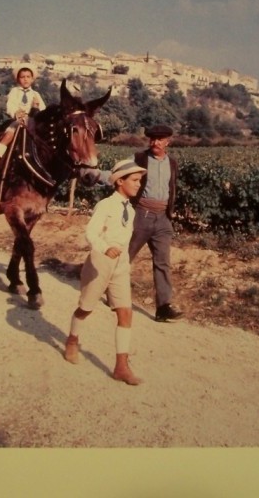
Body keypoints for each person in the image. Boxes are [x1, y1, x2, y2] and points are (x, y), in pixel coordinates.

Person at [63, 158, 147, 385]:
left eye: (140, 180)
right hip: (100, 263)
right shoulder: (106, 206)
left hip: (120, 264)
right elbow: (91, 233)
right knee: (85, 308)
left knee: (125, 313)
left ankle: (121, 366)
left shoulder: (130, 209)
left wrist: (123, 259)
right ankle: (72, 340)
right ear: (120, 182)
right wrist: (104, 248)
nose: (139, 184)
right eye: (135, 180)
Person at [128, 124, 184, 322]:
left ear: (168, 141)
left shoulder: (172, 163)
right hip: (141, 215)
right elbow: (119, 174)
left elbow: (172, 188)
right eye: (152, 139)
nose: (155, 143)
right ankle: (111, 292)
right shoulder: (138, 159)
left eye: (160, 139)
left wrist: (169, 215)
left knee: (162, 263)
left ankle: (163, 307)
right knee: (125, 256)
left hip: (163, 219)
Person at [0, 64, 46, 172]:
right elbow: (10, 105)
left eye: (28, 77)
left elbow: (43, 110)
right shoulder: (14, 92)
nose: (25, 79)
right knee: (9, 134)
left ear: (32, 79)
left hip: (32, 123)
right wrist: (16, 112)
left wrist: (36, 109)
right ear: (18, 79)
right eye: (22, 77)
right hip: (19, 121)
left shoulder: (36, 94)